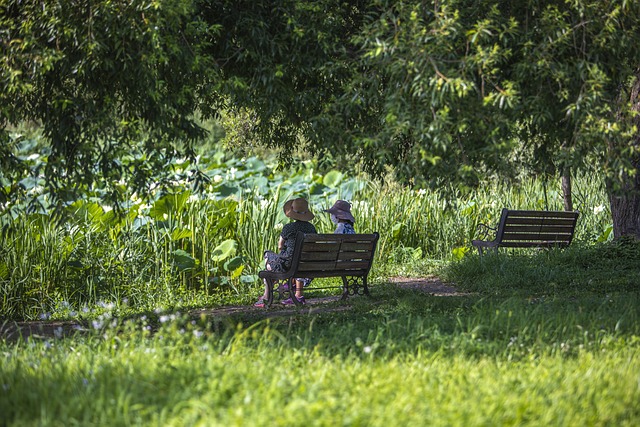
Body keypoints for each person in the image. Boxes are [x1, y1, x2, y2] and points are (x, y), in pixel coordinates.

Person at [254, 197, 316, 307]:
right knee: (274, 263)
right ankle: (272, 293)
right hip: (306, 264)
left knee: (268, 256)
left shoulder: (289, 228)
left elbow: (280, 246)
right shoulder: (312, 228)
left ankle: (266, 296)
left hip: (289, 264)